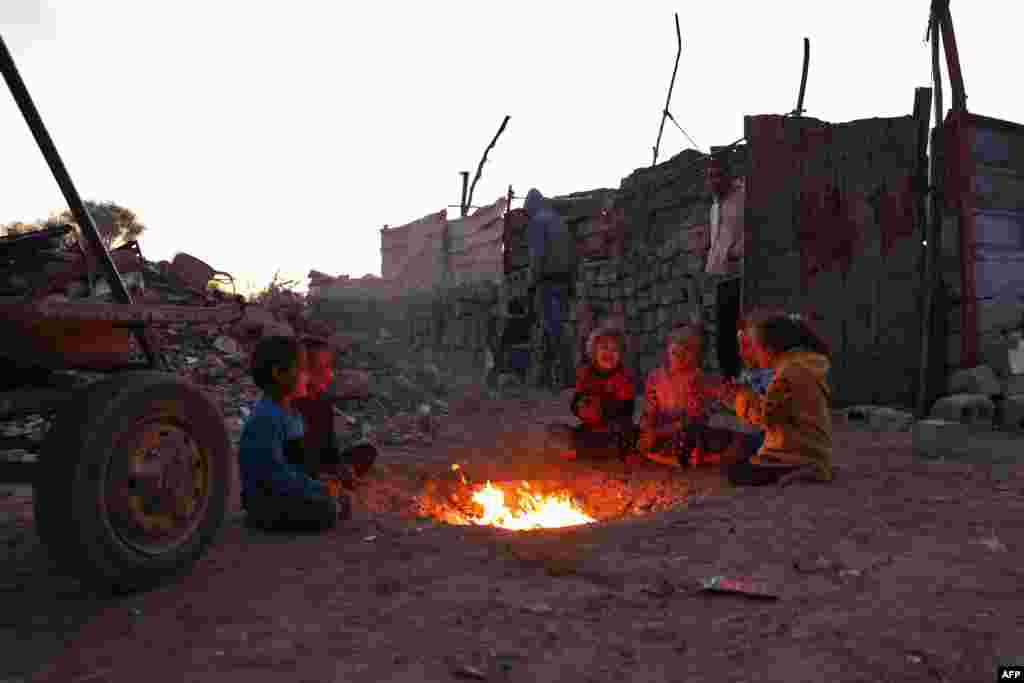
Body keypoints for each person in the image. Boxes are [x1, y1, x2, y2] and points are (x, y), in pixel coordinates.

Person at [238, 336, 349, 530]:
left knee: (331, 501)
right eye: (303, 370)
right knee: (326, 510)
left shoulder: (293, 414)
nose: (307, 377)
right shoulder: (268, 417)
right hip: (266, 497)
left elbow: (298, 464)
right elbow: (274, 474)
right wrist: (320, 489)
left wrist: (322, 484)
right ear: (279, 374)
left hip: (286, 487)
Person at [709, 314, 834, 486]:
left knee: (735, 471)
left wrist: (738, 399)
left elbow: (767, 418)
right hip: (814, 449)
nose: (753, 354)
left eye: (754, 348)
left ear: (769, 351)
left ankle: (807, 471)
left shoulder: (787, 375)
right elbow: (777, 408)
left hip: (796, 453)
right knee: (745, 447)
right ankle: (810, 468)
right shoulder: (805, 364)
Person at [636, 323, 740, 468]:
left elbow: (692, 418)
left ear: (699, 356)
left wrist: (659, 432)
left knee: (700, 435)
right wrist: (648, 426)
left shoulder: (698, 379)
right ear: (668, 346)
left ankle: (698, 457)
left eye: (690, 348)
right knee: (636, 432)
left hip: (686, 430)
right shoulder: (655, 377)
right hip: (662, 429)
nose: (682, 350)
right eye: (678, 343)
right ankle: (676, 456)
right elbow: (649, 410)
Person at [291, 338, 377, 492]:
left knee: (366, 451)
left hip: (318, 463)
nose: (330, 376)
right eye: (322, 369)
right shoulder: (289, 404)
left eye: (330, 368)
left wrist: (339, 468)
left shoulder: (322, 402)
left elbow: (329, 447)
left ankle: (331, 484)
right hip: (297, 469)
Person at [546, 327, 636, 462]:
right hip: (590, 428)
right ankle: (590, 451)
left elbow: (627, 410)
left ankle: (594, 453)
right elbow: (576, 402)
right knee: (556, 431)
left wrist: (603, 409)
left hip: (615, 430)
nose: (609, 353)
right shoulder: (586, 374)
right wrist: (580, 407)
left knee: (631, 437)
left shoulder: (623, 377)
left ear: (621, 355)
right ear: (593, 352)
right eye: (604, 348)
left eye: (614, 350)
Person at [525, 188, 574, 389]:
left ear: (532, 206)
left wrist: (531, 283)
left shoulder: (537, 222)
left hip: (547, 281)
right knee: (555, 326)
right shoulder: (558, 220)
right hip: (564, 281)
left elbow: (537, 256)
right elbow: (571, 252)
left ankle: (565, 377)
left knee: (552, 328)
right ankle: (544, 379)